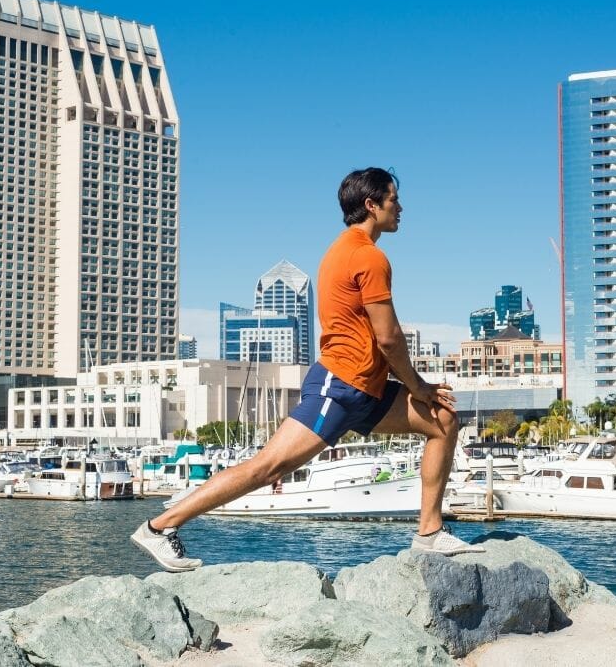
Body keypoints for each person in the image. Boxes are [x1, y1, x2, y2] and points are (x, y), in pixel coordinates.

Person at [131, 167, 485, 571]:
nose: (400, 207)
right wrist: (418, 385)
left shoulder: (343, 249)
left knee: (442, 420)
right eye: (393, 199)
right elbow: (388, 337)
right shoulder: (367, 256)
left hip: (365, 389)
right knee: (268, 468)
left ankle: (429, 532)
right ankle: (159, 527)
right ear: (372, 205)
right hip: (340, 385)